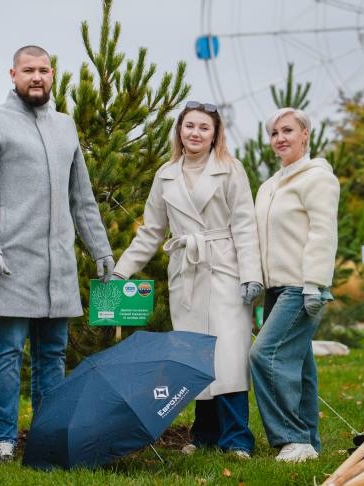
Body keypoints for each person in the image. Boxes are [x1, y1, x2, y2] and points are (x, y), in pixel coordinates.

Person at [0, 45, 114, 463]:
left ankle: (47, 435)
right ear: (12, 73)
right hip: (8, 262)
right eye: (28, 70)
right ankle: (3, 440)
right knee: (8, 351)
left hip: (58, 267)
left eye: (43, 70)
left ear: (52, 75)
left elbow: (82, 197)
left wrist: (99, 247)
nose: (37, 77)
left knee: (52, 355)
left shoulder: (65, 126)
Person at [111, 101, 263, 459]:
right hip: (186, 271)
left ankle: (237, 438)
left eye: (203, 128)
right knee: (195, 355)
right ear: (179, 130)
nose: (195, 133)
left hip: (225, 267)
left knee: (228, 353)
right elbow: (151, 231)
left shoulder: (230, 169)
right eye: (189, 126)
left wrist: (251, 275)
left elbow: (244, 224)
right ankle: (205, 433)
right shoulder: (166, 174)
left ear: (215, 134)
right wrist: (121, 270)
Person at [250, 107, 340, 463]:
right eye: (274, 133)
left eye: (287, 130)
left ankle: (291, 437)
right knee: (300, 364)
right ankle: (309, 441)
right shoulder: (270, 185)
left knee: (264, 355)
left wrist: (315, 283)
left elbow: (323, 232)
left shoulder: (317, 178)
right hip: (275, 288)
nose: (280, 138)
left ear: (305, 135)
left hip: (302, 287)